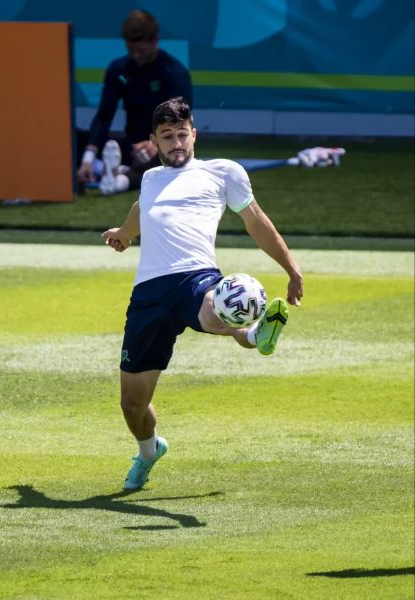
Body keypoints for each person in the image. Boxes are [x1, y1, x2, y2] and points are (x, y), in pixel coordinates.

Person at [102, 98, 304, 491]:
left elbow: (256, 221)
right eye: (167, 137)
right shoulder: (151, 178)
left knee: (217, 308)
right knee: (133, 405)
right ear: (154, 142)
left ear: (194, 134)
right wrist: (123, 235)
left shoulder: (222, 172)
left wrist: (291, 269)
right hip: (149, 295)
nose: (176, 143)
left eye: (182, 135)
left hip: (196, 277)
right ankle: (148, 451)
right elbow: (141, 210)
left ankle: (255, 333)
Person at [77, 9, 193, 195]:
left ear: (155, 40)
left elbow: (179, 121)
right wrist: (87, 158)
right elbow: (104, 115)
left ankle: (120, 180)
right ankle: (97, 169)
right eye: (131, 50)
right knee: (73, 142)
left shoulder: (174, 73)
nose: (136, 56)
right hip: (130, 145)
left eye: (141, 50)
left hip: (164, 142)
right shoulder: (118, 69)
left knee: (171, 160)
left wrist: (155, 144)